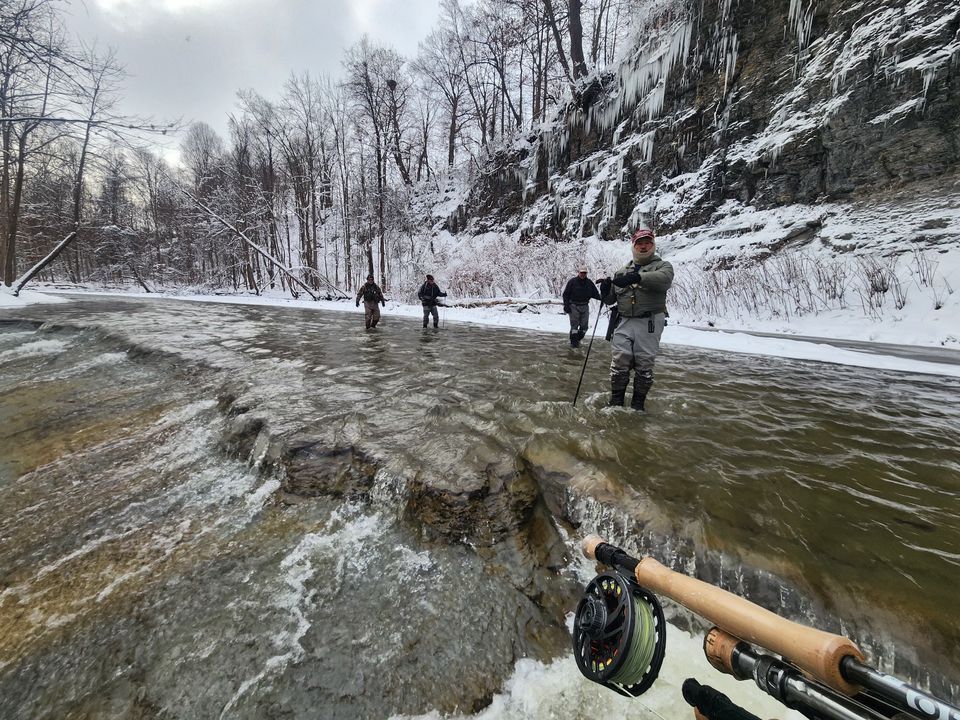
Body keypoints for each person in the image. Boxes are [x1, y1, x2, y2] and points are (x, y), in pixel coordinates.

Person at [599, 228, 674, 410]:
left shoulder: (663, 266)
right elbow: (610, 300)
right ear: (633, 246)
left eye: (647, 243)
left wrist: (638, 277)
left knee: (644, 363)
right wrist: (605, 290)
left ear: (653, 245)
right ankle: (616, 401)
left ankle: (638, 405)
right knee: (619, 361)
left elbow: (665, 280)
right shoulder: (622, 271)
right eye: (639, 243)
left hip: (649, 322)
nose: (643, 246)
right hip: (623, 321)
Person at [562, 264, 601, 347]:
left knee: (584, 327)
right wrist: (566, 305)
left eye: (585, 273)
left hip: (585, 306)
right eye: (581, 272)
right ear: (578, 272)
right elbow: (565, 294)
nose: (583, 274)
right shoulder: (572, 282)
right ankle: (573, 343)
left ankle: (577, 339)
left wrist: (603, 298)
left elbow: (595, 294)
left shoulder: (589, 283)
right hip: (574, 306)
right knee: (574, 326)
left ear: (586, 273)